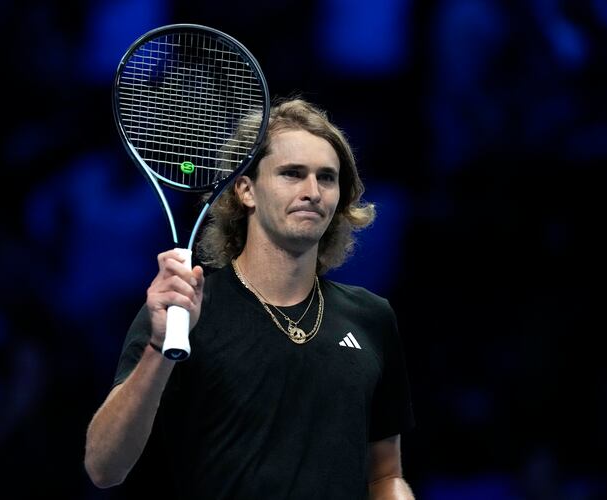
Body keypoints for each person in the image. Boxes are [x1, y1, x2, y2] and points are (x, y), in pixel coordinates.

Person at [84, 98, 416, 499]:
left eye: (327, 178)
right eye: (292, 174)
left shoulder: (371, 317)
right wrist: (159, 347)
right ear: (246, 190)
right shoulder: (184, 311)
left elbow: (385, 476)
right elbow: (104, 467)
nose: (313, 192)